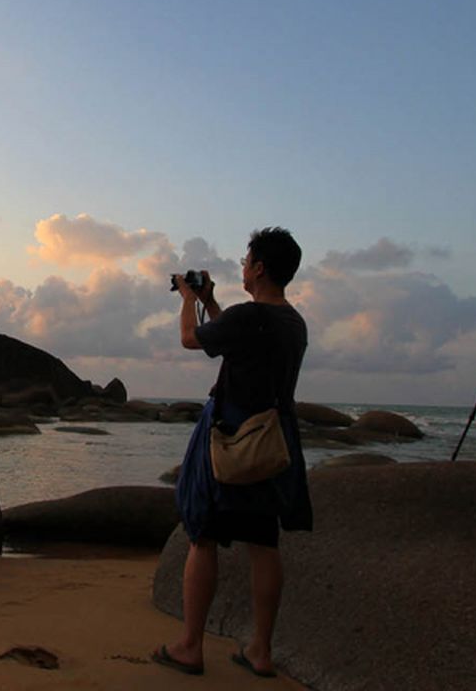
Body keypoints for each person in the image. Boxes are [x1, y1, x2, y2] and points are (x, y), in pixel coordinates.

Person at [151, 227, 311, 679]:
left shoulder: (249, 317)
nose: (242, 267)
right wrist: (213, 302)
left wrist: (187, 298)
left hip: (229, 439)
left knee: (203, 536)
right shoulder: (291, 322)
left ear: (259, 268)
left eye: (246, 261)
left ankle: (189, 646)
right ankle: (260, 650)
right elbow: (232, 339)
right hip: (272, 442)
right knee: (263, 542)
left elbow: (191, 339)